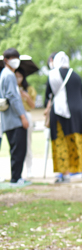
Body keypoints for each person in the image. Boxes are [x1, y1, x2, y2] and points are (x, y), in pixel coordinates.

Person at [45, 51, 82, 184]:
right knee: (81, 140)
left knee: (62, 142)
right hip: (79, 113)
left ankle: (65, 175)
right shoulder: (76, 75)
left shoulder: (53, 75)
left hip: (60, 113)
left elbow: (48, 96)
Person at [0, 48, 30, 185]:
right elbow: (13, 98)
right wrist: (23, 117)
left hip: (8, 120)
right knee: (19, 150)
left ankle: (16, 177)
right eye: (13, 58)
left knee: (15, 149)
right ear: (5, 60)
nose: (15, 61)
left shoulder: (4, 74)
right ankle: (16, 178)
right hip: (14, 119)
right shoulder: (9, 75)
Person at [15, 68, 36, 179]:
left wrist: (26, 96)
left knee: (27, 144)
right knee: (16, 145)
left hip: (26, 114)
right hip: (14, 117)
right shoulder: (11, 88)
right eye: (16, 76)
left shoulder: (29, 89)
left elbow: (33, 105)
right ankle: (17, 171)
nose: (18, 78)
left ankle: (29, 168)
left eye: (19, 76)